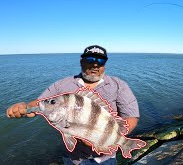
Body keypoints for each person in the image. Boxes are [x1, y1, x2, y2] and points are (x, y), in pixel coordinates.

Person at [6, 45, 140, 165]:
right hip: (72, 158)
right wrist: (25, 106)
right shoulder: (62, 85)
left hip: (105, 158)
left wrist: (107, 139)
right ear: (82, 62)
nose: (95, 65)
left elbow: (132, 116)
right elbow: (40, 104)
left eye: (100, 61)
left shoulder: (118, 85)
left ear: (104, 64)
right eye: (90, 60)